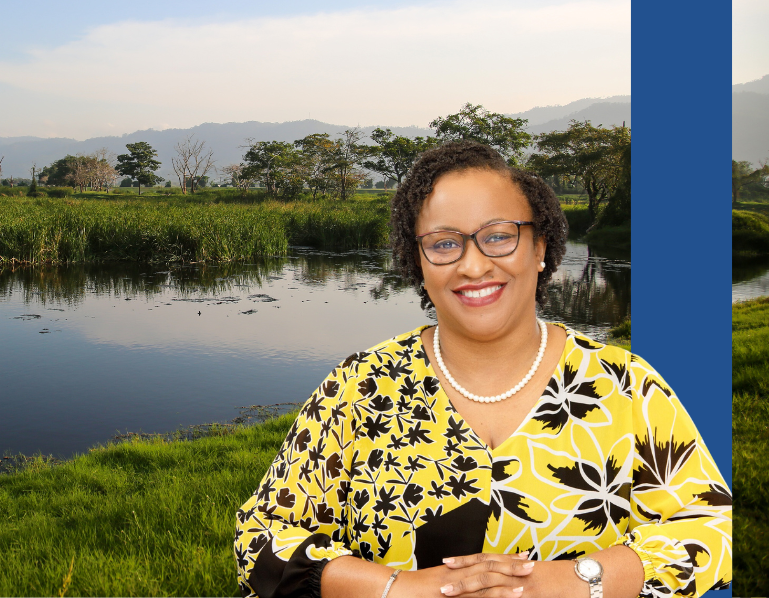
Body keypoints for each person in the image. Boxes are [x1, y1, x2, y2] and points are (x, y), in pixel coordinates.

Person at [233, 141, 731, 598]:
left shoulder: (627, 388)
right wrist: (396, 588)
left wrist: (579, 580)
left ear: (540, 248)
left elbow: (708, 526)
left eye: (498, 236)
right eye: (445, 244)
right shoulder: (360, 388)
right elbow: (260, 540)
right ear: (417, 261)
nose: (473, 266)